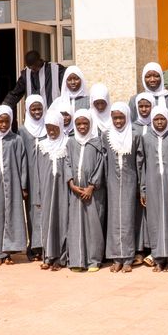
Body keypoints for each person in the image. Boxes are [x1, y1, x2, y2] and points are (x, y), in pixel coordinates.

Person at [139, 106, 168, 272]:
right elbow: (142, 166)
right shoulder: (146, 138)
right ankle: (158, 257)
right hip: (153, 186)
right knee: (155, 220)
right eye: (156, 119)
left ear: (167, 119)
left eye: (162, 119)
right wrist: (143, 189)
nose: (159, 122)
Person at [65, 109, 106, 272]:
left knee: (93, 225)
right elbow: (67, 162)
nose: (82, 127)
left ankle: (93, 259)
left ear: (91, 124)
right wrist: (71, 183)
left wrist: (91, 186)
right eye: (78, 124)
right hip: (75, 191)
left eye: (85, 123)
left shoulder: (96, 142)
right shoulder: (71, 142)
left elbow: (100, 164)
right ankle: (77, 260)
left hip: (93, 193)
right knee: (76, 224)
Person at [103, 103, 141, 273]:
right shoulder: (106, 136)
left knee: (127, 220)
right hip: (111, 182)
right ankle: (116, 257)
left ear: (127, 117)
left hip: (130, 182)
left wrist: (142, 185)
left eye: (121, 118)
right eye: (115, 118)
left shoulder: (134, 136)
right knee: (114, 220)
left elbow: (139, 162)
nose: (118, 121)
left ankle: (128, 258)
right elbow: (103, 161)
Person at [0, 105, 29, 265]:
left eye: (7, 122)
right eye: (1, 122)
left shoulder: (16, 139)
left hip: (13, 183)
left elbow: (23, 163)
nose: (4, 125)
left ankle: (9, 252)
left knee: (12, 214)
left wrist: (23, 186)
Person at [36, 109, 71, 271]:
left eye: (54, 127)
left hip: (63, 190)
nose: (51, 130)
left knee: (62, 221)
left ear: (61, 125)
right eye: (48, 127)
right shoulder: (42, 146)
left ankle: (61, 258)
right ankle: (48, 256)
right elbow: (36, 171)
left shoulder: (67, 144)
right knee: (47, 221)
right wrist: (38, 195)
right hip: (47, 190)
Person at [20, 95, 48, 258]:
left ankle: (46, 244)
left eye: (39, 109)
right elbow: (21, 157)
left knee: (46, 209)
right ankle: (35, 246)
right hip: (30, 177)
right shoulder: (23, 130)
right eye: (33, 109)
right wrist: (23, 183)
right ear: (28, 110)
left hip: (45, 175)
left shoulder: (48, 127)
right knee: (32, 211)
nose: (37, 112)